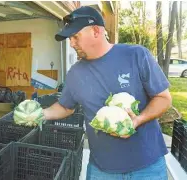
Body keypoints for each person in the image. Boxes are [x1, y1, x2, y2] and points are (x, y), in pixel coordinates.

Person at [42, 6, 172, 180]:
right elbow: (66, 107)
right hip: (102, 170)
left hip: (147, 167)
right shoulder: (75, 73)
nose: (71, 43)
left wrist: (137, 121)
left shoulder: (136, 55)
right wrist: (41, 114)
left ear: (96, 31)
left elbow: (163, 98)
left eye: (75, 37)